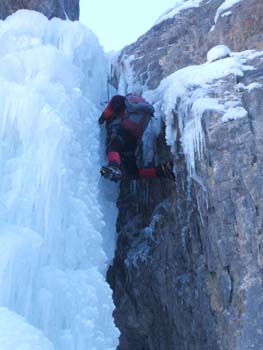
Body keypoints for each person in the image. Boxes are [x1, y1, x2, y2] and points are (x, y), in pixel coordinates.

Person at [99, 94, 175, 182]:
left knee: (113, 147)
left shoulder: (119, 100)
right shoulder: (139, 108)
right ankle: (162, 171)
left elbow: (108, 110)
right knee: (132, 173)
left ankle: (114, 166)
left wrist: (102, 118)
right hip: (133, 139)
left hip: (122, 132)